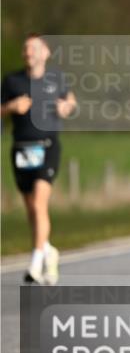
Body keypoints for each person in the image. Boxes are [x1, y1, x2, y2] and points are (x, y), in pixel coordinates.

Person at [1, 34, 75, 285]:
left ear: (45, 53)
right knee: (32, 208)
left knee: (41, 203)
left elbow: (70, 100)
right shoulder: (12, 81)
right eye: (25, 48)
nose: (28, 52)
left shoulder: (55, 79)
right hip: (21, 148)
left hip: (48, 147)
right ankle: (49, 252)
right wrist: (10, 108)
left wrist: (67, 107)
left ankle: (35, 262)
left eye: (34, 48)